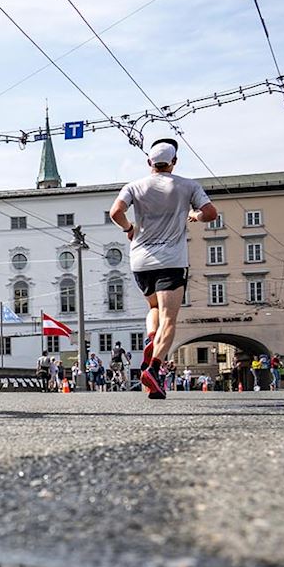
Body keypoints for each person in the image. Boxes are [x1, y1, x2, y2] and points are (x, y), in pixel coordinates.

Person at [109, 139, 219, 400]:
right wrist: (195, 216)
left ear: (149, 163)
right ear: (174, 162)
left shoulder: (134, 186)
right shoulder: (187, 185)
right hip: (171, 261)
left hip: (141, 260)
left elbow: (115, 212)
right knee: (169, 319)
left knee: (154, 309)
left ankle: (151, 338)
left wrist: (129, 229)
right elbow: (211, 213)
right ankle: (154, 368)